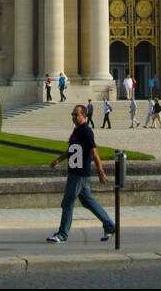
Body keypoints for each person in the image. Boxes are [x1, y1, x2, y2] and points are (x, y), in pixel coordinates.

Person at [46, 105, 115, 244]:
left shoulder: (86, 132)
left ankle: (62, 234)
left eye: (76, 115)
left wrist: (101, 172)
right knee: (87, 201)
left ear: (83, 115)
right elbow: (71, 150)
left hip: (80, 173)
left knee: (67, 203)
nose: (73, 117)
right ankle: (109, 225)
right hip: (75, 172)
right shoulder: (76, 131)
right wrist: (58, 160)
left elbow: (95, 154)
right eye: (72, 114)